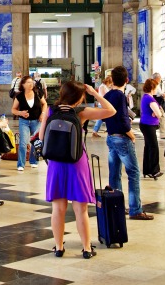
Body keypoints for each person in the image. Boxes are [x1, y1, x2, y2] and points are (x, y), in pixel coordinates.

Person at [41, 80, 117, 258]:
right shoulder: (81, 112)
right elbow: (111, 111)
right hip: (77, 162)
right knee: (80, 209)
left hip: (56, 164)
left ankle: (59, 247)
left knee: (58, 208)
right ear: (79, 96)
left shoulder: (51, 110)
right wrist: (96, 93)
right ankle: (87, 249)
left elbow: (43, 136)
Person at [103, 67, 154, 220]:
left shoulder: (108, 94)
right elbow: (124, 121)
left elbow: (106, 116)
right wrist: (131, 134)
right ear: (126, 80)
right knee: (133, 173)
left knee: (115, 173)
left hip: (111, 136)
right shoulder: (120, 96)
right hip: (122, 138)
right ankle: (135, 209)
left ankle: (116, 206)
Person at [10, 73, 46, 171]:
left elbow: (45, 104)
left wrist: (42, 114)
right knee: (23, 143)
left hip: (37, 121)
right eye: (28, 82)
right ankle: (21, 164)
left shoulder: (38, 93)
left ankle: (34, 161)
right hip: (24, 122)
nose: (31, 84)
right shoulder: (19, 96)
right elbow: (13, 109)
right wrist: (20, 113)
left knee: (36, 142)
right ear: (23, 84)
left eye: (32, 82)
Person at [138, 79, 164, 179]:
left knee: (148, 147)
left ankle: (147, 170)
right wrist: (157, 114)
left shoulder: (145, 97)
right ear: (153, 87)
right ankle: (154, 170)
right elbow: (159, 114)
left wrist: (155, 113)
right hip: (148, 125)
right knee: (154, 147)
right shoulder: (150, 99)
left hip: (145, 124)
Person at [91, 72, 112, 138]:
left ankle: (108, 129)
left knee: (107, 117)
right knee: (101, 118)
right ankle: (95, 131)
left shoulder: (104, 86)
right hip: (103, 104)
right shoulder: (103, 86)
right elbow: (104, 96)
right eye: (110, 83)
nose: (110, 85)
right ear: (108, 82)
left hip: (104, 104)